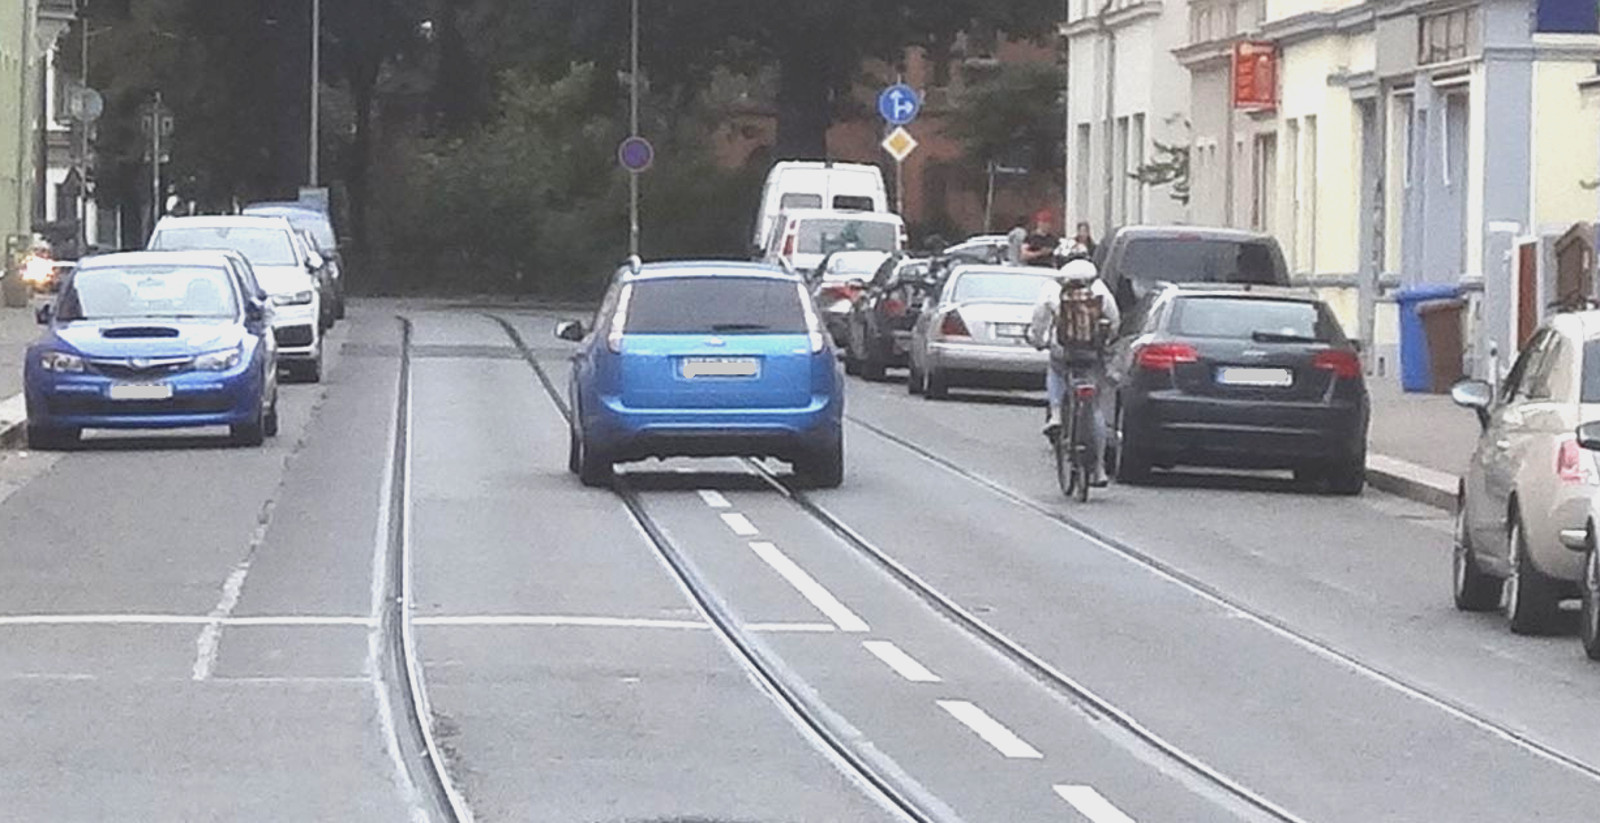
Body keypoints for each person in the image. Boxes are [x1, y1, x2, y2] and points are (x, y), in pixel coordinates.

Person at [1028, 257, 1120, 486]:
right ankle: (1098, 469)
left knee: (1055, 370)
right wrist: (1106, 342)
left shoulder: (1052, 289)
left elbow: (1039, 320)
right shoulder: (1100, 289)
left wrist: (1038, 340)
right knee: (1095, 407)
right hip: (1092, 355)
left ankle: (1056, 414)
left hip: (1063, 351)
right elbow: (1114, 321)